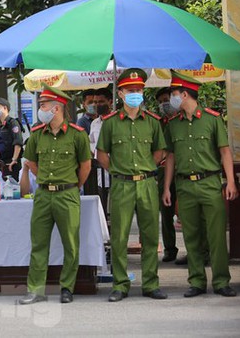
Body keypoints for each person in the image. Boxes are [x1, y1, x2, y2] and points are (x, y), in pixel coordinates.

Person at [162, 71, 238, 298]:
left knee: (215, 236)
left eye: (174, 94)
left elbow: (225, 152)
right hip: (184, 186)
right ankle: (196, 281)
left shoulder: (212, 119)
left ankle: (222, 281)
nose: (171, 100)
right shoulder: (173, 124)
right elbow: (170, 158)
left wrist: (230, 182)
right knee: (191, 237)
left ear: (184, 94)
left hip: (210, 184)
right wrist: (167, 187)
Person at [96, 69, 167, 302]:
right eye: (130, 91)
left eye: (138, 90)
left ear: (142, 92)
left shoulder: (153, 123)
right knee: (119, 237)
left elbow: (159, 151)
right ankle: (120, 285)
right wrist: (118, 171)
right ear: (122, 94)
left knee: (149, 236)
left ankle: (150, 283)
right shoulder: (110, 123)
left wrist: (145, 168)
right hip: (122, 185)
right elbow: (102, 154)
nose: (135, 94)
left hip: (147, 183)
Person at [18, 84, 91, 305]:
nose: (41, 108)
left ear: (57, 108)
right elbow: (30, 161)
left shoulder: (78, 135)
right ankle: (35, 290)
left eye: (43, 105)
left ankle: (67, 287)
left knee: (71, 244)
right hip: (43, 195)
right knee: (39, 243)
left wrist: (71, 185)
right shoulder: (37, 133)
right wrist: (46, 180)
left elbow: (85, 166)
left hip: (67, 194)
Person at [155, 87, 179, 262]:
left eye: (166, 99)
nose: (164, 104)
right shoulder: (158, 123)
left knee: (189, 212)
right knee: (166, 211)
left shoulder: (183, 120)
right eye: (161, 101)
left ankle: (199, 250)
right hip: (164, 171)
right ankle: (170, 249)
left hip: (185, 170)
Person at [89, 87, 113, 215]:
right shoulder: (94, 123)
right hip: (100, 173)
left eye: (101, 102)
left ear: (110, 101)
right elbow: (91, 142)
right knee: (102, 209)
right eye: (95, 102)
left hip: (115, 170)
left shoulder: (116, 121)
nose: (97, 105)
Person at [0, 97, 23, 178]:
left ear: (5, 108)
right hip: (1, 164)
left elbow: (18, 142)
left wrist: (14, 160)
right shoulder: (0, 127)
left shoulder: (13, 123)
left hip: (11, 164)